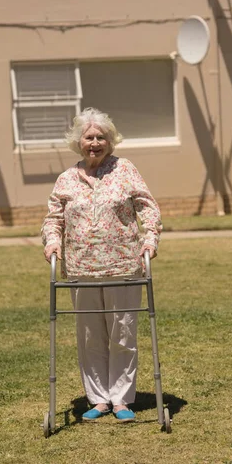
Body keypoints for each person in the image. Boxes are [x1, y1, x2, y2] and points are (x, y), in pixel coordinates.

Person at [41, 107, 162, 423]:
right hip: (81, 269)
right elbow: (53, 218)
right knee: (90, 336)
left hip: (123, 266)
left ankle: (121, 399)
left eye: (101, 137)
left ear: (110, 141)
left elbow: (148, 209)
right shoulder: (66, 179)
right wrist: (51, 241)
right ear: (78, 141)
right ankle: (99, 399)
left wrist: (150, 240)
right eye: (89, 137)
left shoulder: (125, 170)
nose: (95, 142)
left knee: (122, 334)